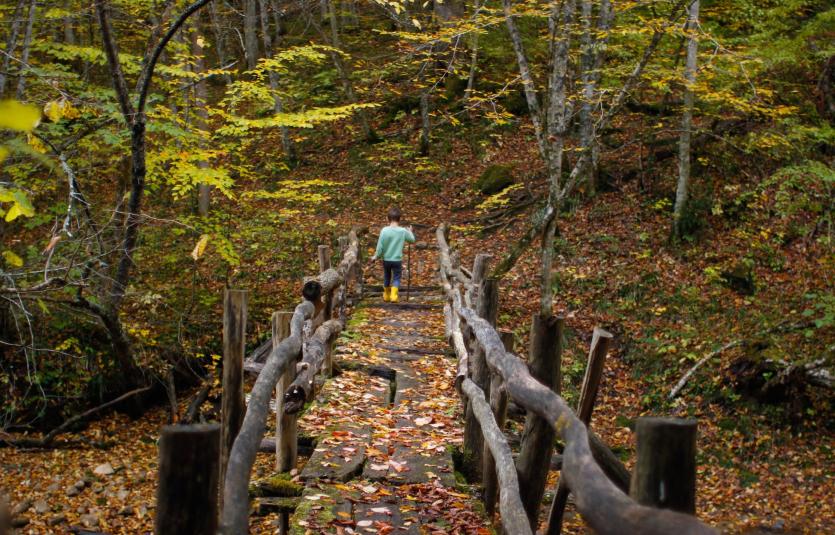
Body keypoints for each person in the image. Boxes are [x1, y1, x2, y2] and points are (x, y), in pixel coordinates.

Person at [370, 207, 415, 303]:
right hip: (397, 260)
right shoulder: (403, 231)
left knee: (387, 276)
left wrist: (376, 256)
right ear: (399, 219)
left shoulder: (384, 230)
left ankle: (386, 295)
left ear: (387, 218)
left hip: (386, 259)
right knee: (397, 277)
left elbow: (380, 246)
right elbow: (412, 240)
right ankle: (394, 296)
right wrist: (410, 231)